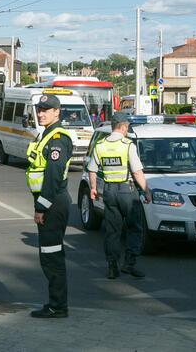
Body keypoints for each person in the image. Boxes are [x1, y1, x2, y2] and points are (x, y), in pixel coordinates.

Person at [25, 94, 74, 319]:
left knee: (51, 256)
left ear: (57, 112)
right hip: (51, 202)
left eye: (46, 109)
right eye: (39, 109)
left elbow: (53, 176)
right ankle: (55, 304)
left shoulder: (57, 138)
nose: (41, 113)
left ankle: (58, 307)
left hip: (53, 203)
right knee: (50, 255)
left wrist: (41, 207)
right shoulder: (45, 135)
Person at [88, 112, 152, 279]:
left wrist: (93, 188)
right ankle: (129, 264)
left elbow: (92, 170)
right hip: (127, 192)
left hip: (109, 192)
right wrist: (146, 191)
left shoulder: (100, 145)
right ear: (123, 126)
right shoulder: (127, 145)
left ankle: (112, 266)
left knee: (112, 231)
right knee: (134, 228)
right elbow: (137, 172)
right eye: (127, 127)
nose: (127, 130)